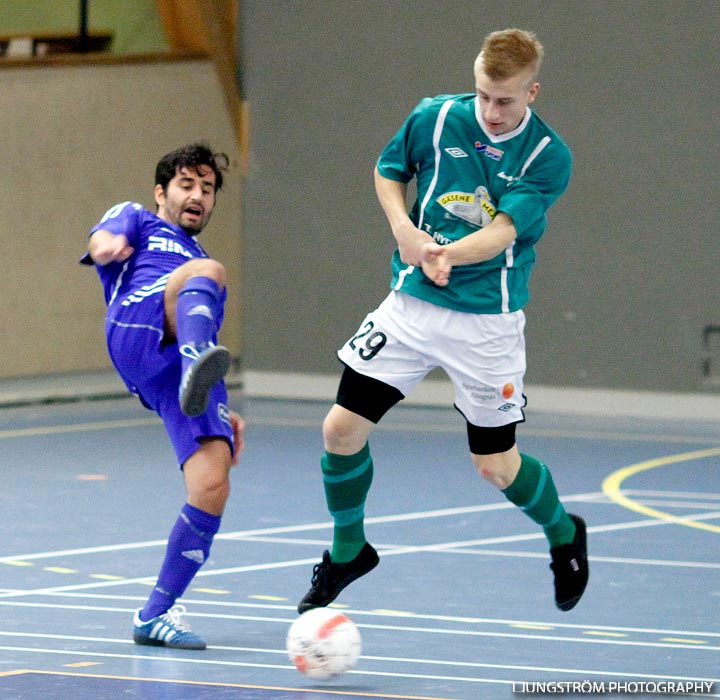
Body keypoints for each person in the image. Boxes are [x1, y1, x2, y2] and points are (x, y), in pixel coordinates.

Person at [298, 29, 588, 615]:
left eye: (505, 100)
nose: (491, 110)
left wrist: (446, 254)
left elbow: (505, 230)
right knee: (340, 429)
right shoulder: (435, 117)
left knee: (496, 466)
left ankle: (562, 532)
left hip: (486, 322)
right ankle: (349, 549)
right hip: (412, 307)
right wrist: (405, 232)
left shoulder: (547, 157)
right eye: (483, 95)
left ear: (532, 92)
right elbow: (388, 170)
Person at [81, 142, 244, 649]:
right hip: (136, 323)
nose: (198, 195)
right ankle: (199, 358)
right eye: (187, 184)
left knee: (212, 484)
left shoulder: (201, 267)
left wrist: (220, 404)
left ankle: (156, 614)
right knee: (210, 272)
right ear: (162, 192)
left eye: (208, 188)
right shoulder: (140, 220)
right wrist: (106, 245)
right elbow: (105, 234)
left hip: (175, 369)